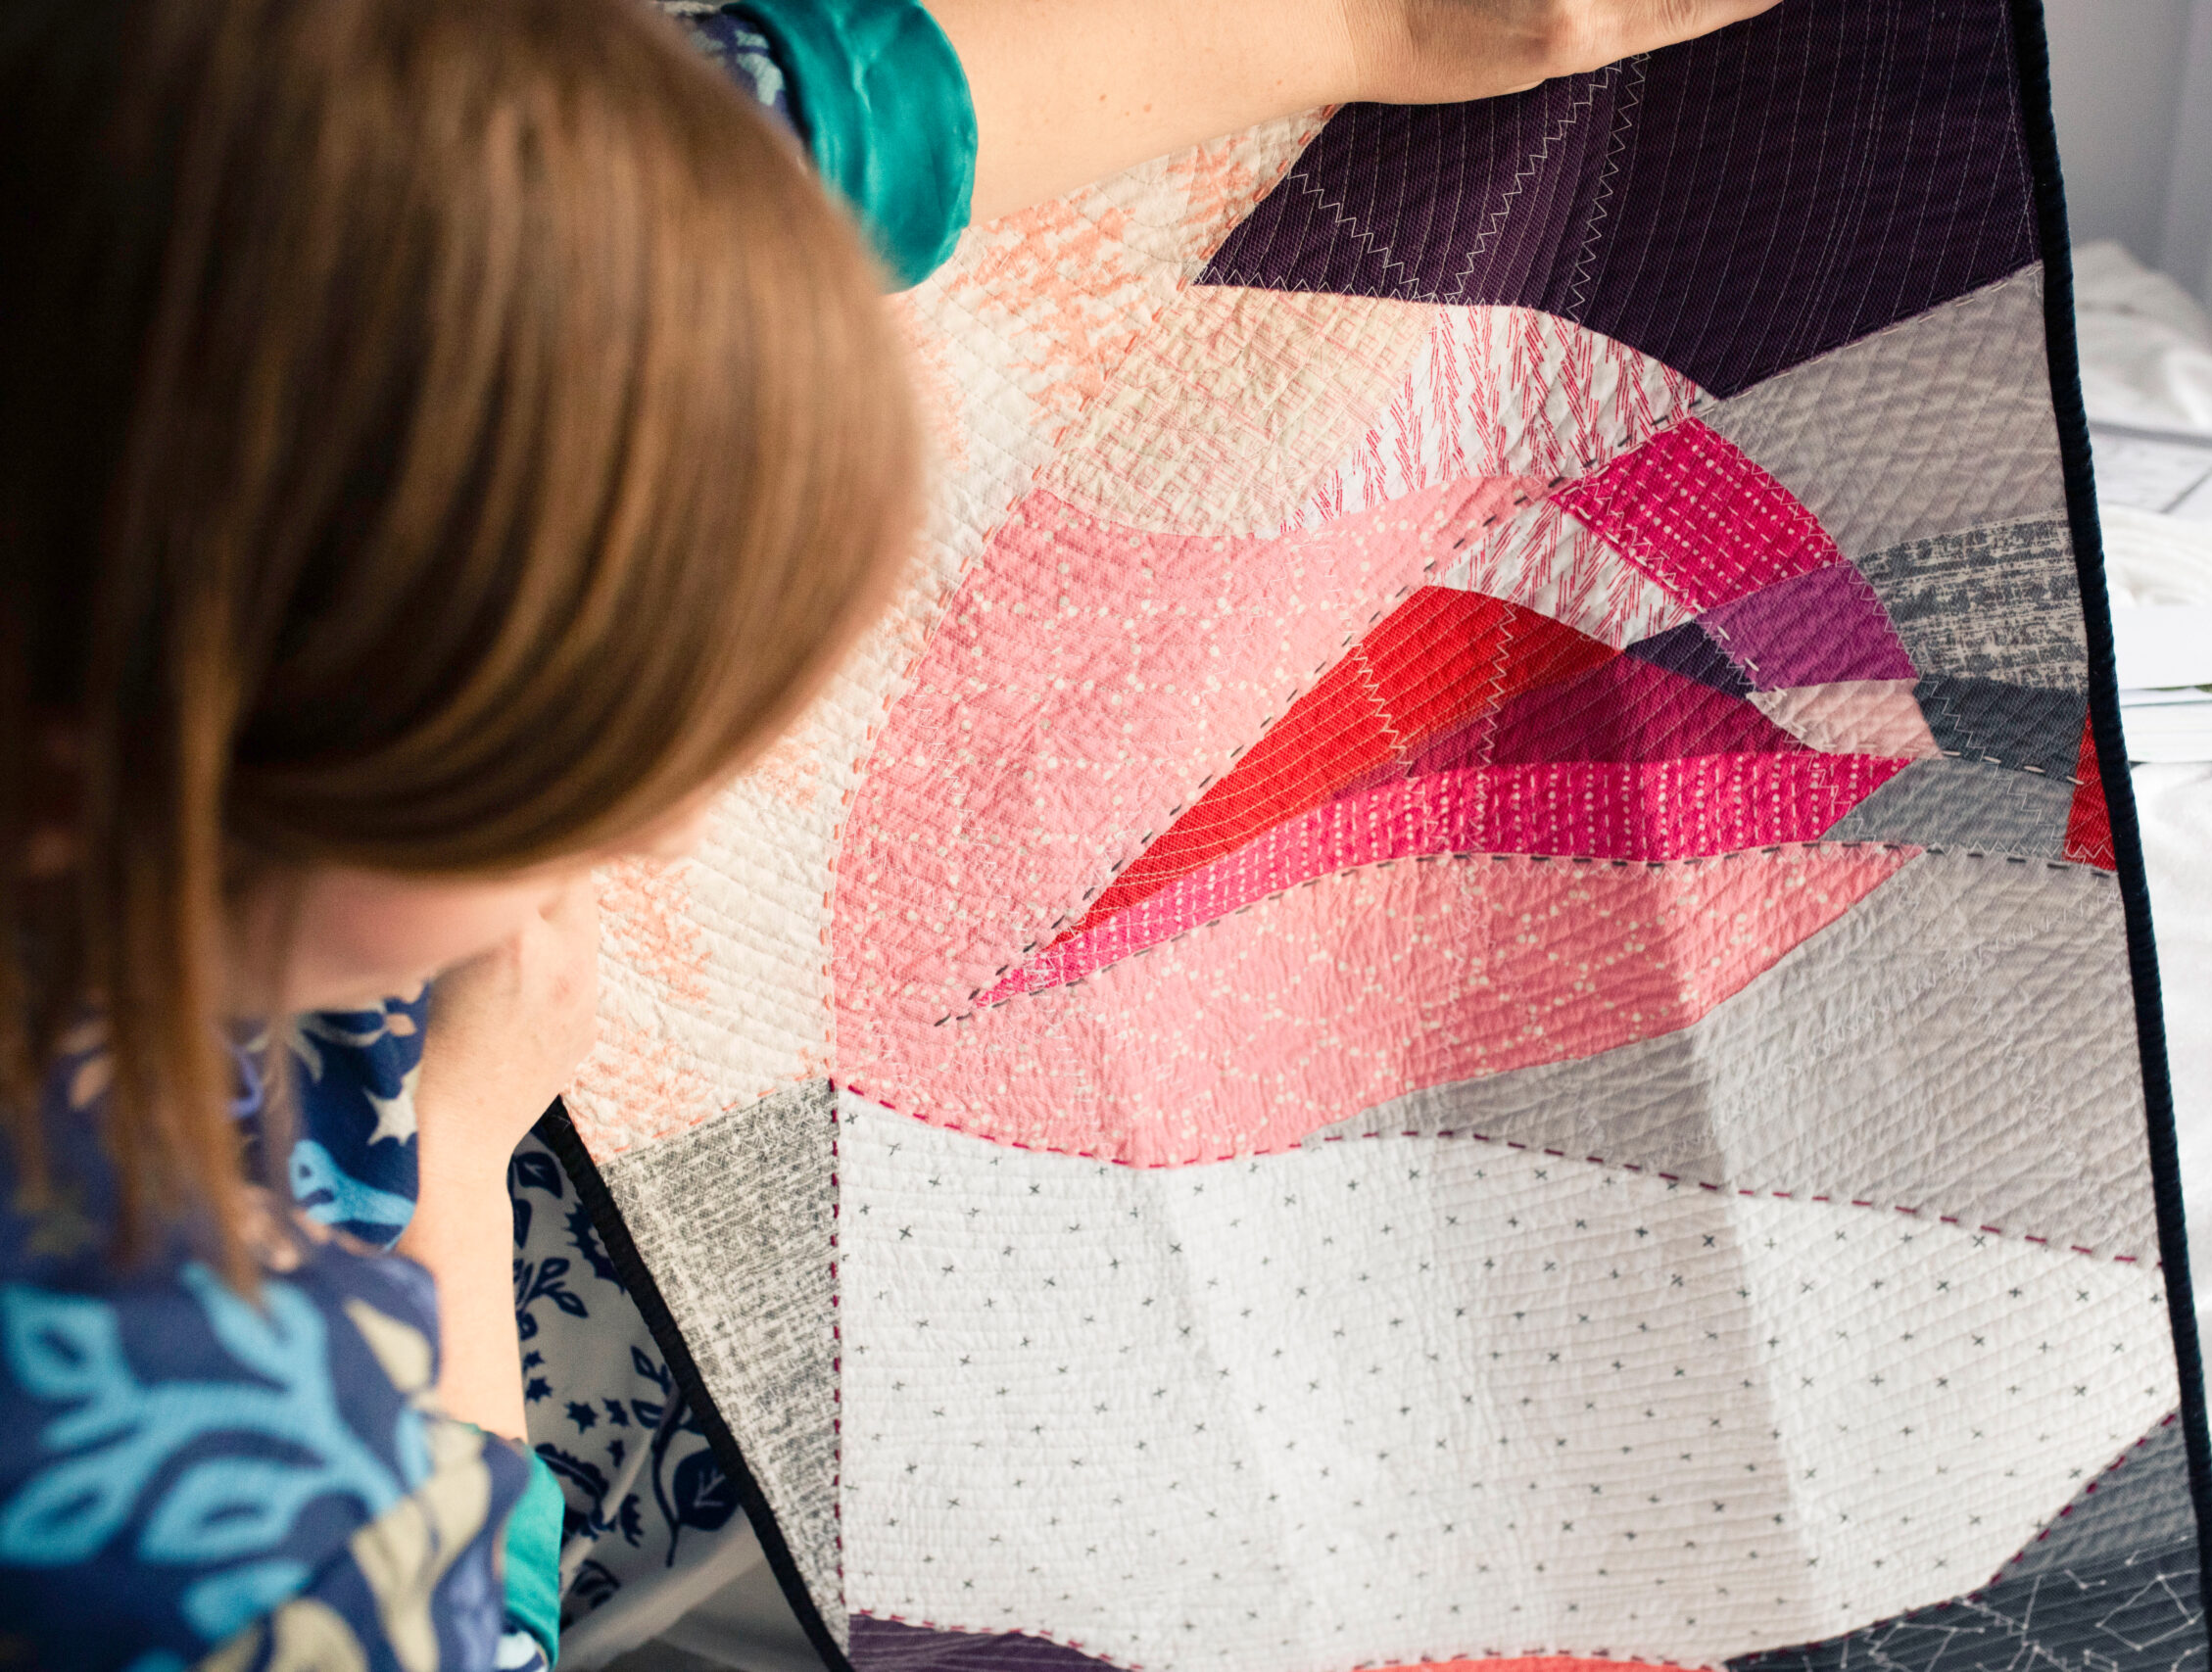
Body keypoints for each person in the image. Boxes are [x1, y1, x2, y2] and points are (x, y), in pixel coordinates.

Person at [0, 0, 1776, 1664]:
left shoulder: (201, 231)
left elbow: (758, 157)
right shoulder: (218, 1474)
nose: (671, 817)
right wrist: (456, 1161)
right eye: (562, 788)